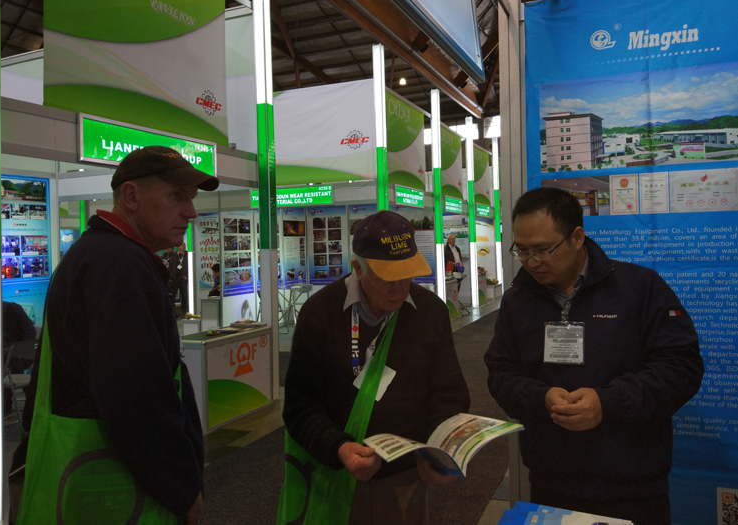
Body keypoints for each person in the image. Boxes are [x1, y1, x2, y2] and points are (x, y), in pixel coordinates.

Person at [11, 145, 218, 524]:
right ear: (131, 196)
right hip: (117, 489)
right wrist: (182, 489)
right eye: (176, 197)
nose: (190, 211)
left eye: (190, 198)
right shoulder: (120, 265)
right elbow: (136, 396)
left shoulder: (97, 255)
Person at [484, 187, 703, 524]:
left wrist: (609, 403)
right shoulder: (518, 300)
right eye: (522, 250)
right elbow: (501, 373)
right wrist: (541, 398)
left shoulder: (639, 287)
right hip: (550, 482)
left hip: (632, 485)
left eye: (542, 250)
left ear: (577, 237)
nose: (531, 262)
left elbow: (681, 367)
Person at [281, 210, 470, 524]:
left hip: (406, 477)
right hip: (335, 476)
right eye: (386, 279)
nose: (399, 290)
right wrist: (339, 447)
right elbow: (300, 407)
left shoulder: (430, 312)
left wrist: (442, 449)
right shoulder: (320, 313)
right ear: (358, 268)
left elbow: (447, 393)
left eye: (407, 276)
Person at [2, 301, 36, 425]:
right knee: (6, 358)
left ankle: (6, 410)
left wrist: (19, 350)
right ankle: (31, 407)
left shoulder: (13, 309)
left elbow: (30, 331)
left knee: (8, 357)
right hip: (8, 357)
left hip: (20, 356)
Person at [170, 241, 190, 314]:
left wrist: (187, 276)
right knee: (173, 294)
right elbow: (170, 267)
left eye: (185, 245)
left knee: (184, 295)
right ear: (178, 247)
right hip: (175, 279)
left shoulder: (188, 255)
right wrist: (171, 277)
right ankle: (171, 310)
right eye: (182, 245)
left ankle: (184, 311)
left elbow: (190, 266)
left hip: (183, 279)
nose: (184, 246)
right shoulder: (174, 256)